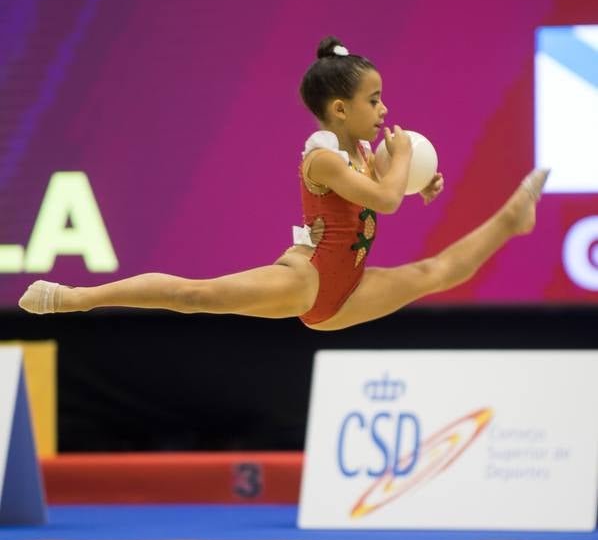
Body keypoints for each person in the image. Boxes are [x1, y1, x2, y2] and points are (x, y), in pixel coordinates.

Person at [18, 35, 548, 330]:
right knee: (195, 295)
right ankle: (78, 297)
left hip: (348, 289)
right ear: (340, 109)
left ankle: (511, 217)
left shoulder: (360, 149)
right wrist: (402, 161)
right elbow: (383, 202)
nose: (385, 110)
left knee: (436, 272)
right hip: (308, 279)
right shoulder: (322, 159)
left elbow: (392, 190)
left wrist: (418, 181)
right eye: (374, 100)